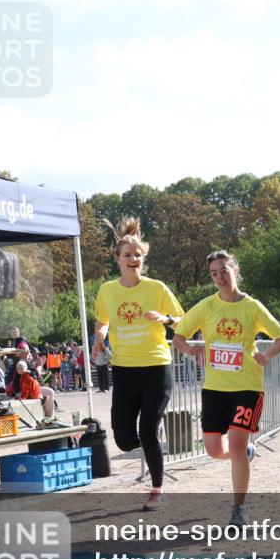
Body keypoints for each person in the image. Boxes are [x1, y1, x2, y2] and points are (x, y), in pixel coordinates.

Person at [172, 250, 280, 526]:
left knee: (235, 444)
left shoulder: (252, 307)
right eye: (214, 273)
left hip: (247, 386)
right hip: (215, 388)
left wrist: (266, 355)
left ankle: (239, 509)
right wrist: (189, 348)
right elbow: (178, 336)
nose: (220, 277)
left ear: (235, 270)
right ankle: (246, 454)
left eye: (224, 270)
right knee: (213, 450)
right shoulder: (207, 306)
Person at [92, 217, 184, 511]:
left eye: (138, 255)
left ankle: (156, 489)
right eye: (128, 255)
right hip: (124, 369)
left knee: (146, 430)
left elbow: (183, 320)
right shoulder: (108, 290)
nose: (134, 259)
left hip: (156, 367)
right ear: (117, 259)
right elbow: (103, 321)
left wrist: (165, 318)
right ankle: (151, 433)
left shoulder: (156, 288)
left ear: (143, 259)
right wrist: (99, 337)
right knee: (122, 436)